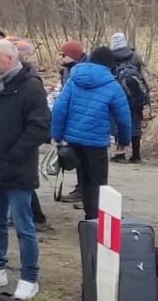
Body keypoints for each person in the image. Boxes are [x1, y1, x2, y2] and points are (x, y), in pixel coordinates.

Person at [0, 38, 51, 300]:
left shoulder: (31, 87)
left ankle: (29, 277)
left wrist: (15, 153)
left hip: (17, 170)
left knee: (24, 225)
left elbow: (40, 127)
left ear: (10, 59)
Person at [50, 46, 132, 221]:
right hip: (96, 144)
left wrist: (57, 136)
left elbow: (59, 108)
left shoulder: (73, 79)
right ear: (110, 64)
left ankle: (89, 217)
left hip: (74, 141)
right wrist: (124, 140)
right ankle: (95, 220)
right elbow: (124, 117)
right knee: (98, 184)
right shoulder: (112, 86)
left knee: (85, 181)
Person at [108, 32, 150, 163]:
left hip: (118, 95)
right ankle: (136, 155)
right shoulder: (134, 56)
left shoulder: (110, 58)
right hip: (135, 96)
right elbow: (142, 76)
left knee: (118, 123)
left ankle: (120, 153)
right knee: (135, 123)